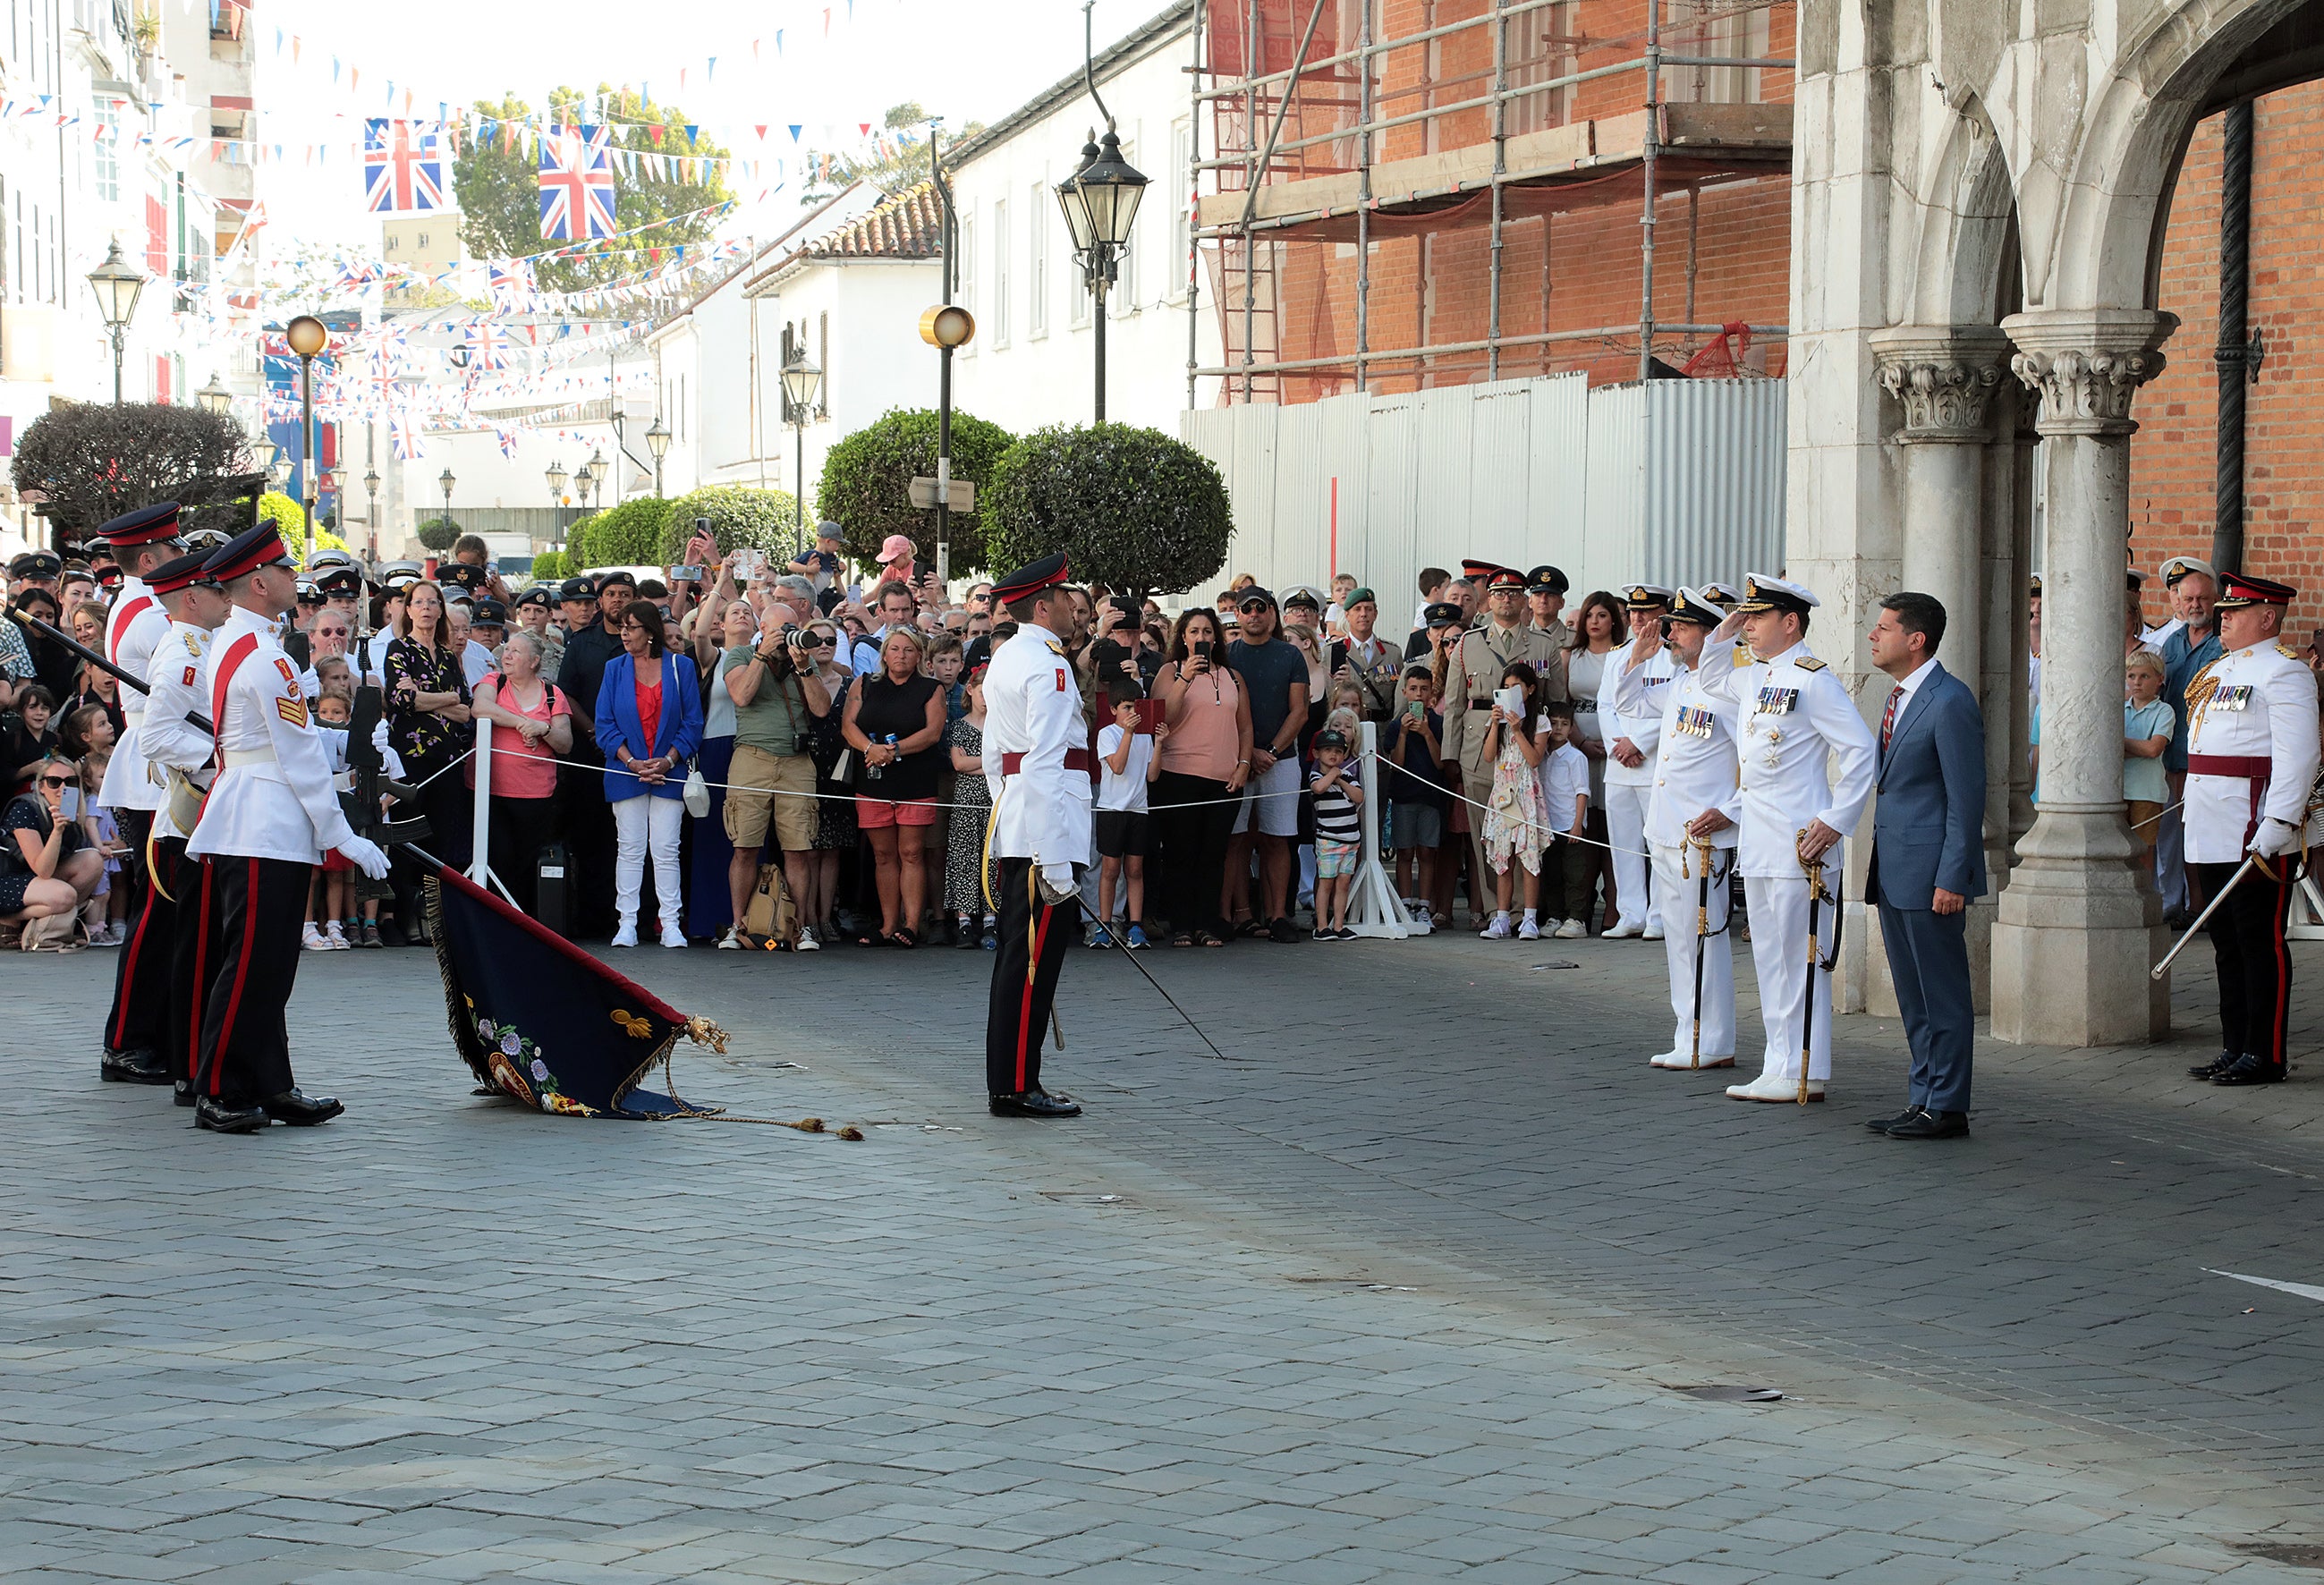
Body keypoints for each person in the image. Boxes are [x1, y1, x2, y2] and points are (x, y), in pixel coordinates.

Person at [183, 522, 392, 1133]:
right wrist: (341, 833)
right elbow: (300, 753)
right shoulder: (264, 657)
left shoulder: (245, 645)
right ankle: (219, 1086)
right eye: (283, 573)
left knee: (270, 964)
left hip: (260, 814)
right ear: (256, 582)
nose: (292, 583)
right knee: (250, 963)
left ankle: (269, 1081)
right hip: (262, 818)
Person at [1696, 575, 1878, 1104]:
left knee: (1803, 960)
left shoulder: (1812, 679)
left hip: (1804, 845)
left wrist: (1836, 819)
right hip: (1761, 842)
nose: (1748, 625)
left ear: (1790, 621)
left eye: (1758, 616)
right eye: (1745, 616)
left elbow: (1861, 750)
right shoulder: (1754, 676)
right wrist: (1724, 631)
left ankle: (1807, 1069)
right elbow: (1710, 679)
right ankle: (1778, 1062)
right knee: (1771, 960)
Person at [2182, 572, 2321, 1088]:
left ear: (2267, 618)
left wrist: (2279, 822)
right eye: (2223, 611)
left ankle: (2266, 1053)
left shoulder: (2284, 673)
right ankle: (2235, 1044)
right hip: (2210, 822)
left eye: (2235, 611)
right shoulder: (2219, 670)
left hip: (2252, 825)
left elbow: (2298, 755)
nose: (2224, 617)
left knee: (2258, 939)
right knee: (2225, 941)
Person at [1860, 593, 1988, 1140]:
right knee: (1913, 996)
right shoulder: (1901, 697)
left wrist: (1951, 877)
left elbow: (1966, 798)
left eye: (1884, 628)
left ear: (1916, 640)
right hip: (1895, 870)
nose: (1873, 636)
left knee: (1943, 995)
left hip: (1932, 874)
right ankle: (1923, 1096)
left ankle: (1949, 1105)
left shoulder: (1949, 700)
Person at [981, 555, 1091, 1118]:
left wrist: (1014, 812)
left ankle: (1012, 1081)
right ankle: (1017, 1087)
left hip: (1021, 823)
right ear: (1043, 606)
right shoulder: (1048, 665)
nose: (1076, 607)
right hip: (1046, 835)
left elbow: (995, 757)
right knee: (1030, 965)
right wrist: (1053, 858)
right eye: (1068, 598)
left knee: (1018, 960)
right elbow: (1047, 761)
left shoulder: (1006, 657)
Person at [1612, 589, 1742, 1061]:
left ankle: (1709, 1039)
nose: (1671, 634)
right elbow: (1629, 705)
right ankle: (1690, 1034)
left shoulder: (1727, 686)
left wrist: (1735, 809)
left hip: (1702, 832)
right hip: (1668, 827)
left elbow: (1755, 758)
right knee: (1680, 941)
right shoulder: (1681, 682)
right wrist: (1638, 659)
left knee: (1703, 936)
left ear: (1710, 635)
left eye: (1682, 627)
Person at [122, 549, 234, 1095]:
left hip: (205, 820)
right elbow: (158, 735)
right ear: (192, 597)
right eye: (219, 589)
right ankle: (191, 1065)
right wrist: (220, 760)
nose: (228, 597)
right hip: (188, 824)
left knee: (204, 949)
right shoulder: (184, 651)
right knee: (196, 955)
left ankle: (191, 1059)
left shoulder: (206, 645)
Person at [1438, 569, 1565, 928]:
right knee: (1490, 834)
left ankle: (1526, 911)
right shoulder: (1468, 643)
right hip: (1482, 747)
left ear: (1524, 600)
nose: (1506, 599)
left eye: (1513, 593)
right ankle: (1497, 910)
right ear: (1487, 600)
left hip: (1527, 750)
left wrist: (1551, 748)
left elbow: (1556, 700)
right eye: (1499, 593)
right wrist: (1451, 754)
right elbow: (1454, 702)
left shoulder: (1543, 645)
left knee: (1527, 832)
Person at [721, 605, 833, 950]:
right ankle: (737, 925)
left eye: (792, 629)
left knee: (799, 849)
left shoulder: (803, 663)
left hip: (797, 763)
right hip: (751, 758)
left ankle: (800, 928)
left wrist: (803, 668)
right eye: (780, 629)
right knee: (744, 847)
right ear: (762, 628)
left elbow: (822, 709)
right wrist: (761, 655)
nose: (787, 636)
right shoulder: (740, 654)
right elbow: (741, 695)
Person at [595, 599, 702, 948]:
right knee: (629, 848)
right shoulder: (614, 669)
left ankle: (670, 923)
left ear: (650, 631)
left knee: (666, 848)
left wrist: (668, 761)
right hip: (627, 771)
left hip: (668, 772)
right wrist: (631, 762)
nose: (624, 634)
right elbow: (604, 725)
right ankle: (626, 922)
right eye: (621, 627)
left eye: (631, 627)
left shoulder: (681, 666)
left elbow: (692, 723)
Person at [1151, 608, 1251, 948]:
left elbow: (1245, 726)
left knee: (1214, 855)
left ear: (1216, 637)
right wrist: (1186, 678)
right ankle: (1181, 924)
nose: (1201, 638)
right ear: (1183, 637)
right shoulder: (1171, 670)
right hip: (1179, 775)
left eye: (1207, 631)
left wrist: (1244, 764)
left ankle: (1208, 923)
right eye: (1194, 631)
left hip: (1224, 779)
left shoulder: (1234, 676)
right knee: (1181, 853)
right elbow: (1163, 715)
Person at [842, 626, 946, 946]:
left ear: (919, 656)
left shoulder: (931, 688)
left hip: (915, 780)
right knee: (884, 854)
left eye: (909, 650)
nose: (901, 656)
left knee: (912, 852)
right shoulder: (864, 684)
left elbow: (932, 733)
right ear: (884, 654)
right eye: (895, 649)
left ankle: (911, 925)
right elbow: (848, 725)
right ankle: (888, 925)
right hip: (872, 777)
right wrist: (870, 750)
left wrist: (894, 750)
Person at [1225, 588, 1309, 942]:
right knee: (1236, 840)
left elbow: (1300, 710)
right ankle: (1238, 915)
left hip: (1281, 760)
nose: (1254, 614)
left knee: (1278, 839)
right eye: (1247, 609)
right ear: (1238, 616)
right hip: (1236, 760)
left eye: (1261, 608)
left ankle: (1278, 916)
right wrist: (1248, 754)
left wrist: (1270, 750)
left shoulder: (1290, 654)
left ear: (1272, 614)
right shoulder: (1226, 655)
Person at [470, 631, 572, 919]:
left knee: (526, 863)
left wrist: (546, 730)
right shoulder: (495, 681)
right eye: (506, 650)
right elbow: (481, 708)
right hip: (490, 790)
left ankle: (525, 921)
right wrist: (524, 723)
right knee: (496, 858)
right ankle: (494, 919)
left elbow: (565, 743)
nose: (507, 656)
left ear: (534, 661)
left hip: (536, 794)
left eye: (516, 651)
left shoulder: (553, 694)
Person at [385, 580, 475, 884]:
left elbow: (465, 709)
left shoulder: (449, 657)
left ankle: (434, 912)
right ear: (408, 610)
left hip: (447, 759)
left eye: (432, 602)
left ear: (440, 610)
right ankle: (399, 914)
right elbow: (403, 700)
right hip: (411, 759)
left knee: (442, 837)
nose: (426, 608)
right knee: (407, 835)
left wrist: (428, 699)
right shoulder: (399, 650)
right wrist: (446, 698)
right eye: (419, 602)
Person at [557, 572, 631, 939]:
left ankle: (635, 917)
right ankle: (592, 919)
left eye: (626, 594)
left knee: (632, 840)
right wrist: (594, 732)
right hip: (591, 755)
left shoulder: (646, 642)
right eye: (612, 594)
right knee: (592, 837)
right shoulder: (581, 643)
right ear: (600, 602)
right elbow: (566, 694)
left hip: (637, 756)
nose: (618, 600)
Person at [1600, 586, 1675, 939]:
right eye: (1633, 612)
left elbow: (1674, 708)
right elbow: (1605, 705)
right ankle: (1630, 913)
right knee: (1623, 843)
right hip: (1620, 764)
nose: (1638, 619)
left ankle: (1659, 917)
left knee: (1658, 843)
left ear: (1664, 614)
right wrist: (1619, 745)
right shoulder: (1618, 655)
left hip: (1654, 760)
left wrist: (1639, 743)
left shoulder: (1673, 655)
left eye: (1647, 612)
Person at [2155, 555, 2221, 928]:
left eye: (2203, 599)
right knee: (2173, 834)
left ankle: (2205, 907)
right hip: (2171, 752)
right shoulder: (2172, 642)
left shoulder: (2224, 644)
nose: (2195, 606)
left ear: (2214, 600)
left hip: (2208, 754)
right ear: (2177, 601)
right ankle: (2182, 905)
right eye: (2188, 599)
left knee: (2201, 832)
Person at [1561, 589, 1624, 932]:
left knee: (1614, 832)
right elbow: (1561, 707)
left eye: (1602, 615)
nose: (1595, 621)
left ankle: (1616, 909)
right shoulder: (1571, 656)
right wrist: (1581, 741)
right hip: (1580, 749)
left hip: (1617, 751)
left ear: (1614, 619)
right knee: (1585, 831)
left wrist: (1612, 742)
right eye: (1590, 615)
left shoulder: (1626, 655)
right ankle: (1579, 911)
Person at [1477, 661, 1551, 940]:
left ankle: (1530, 918)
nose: (1510, 692)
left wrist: (1518, 730)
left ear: (1530, 690)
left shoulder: (1539, 721)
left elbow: (1534, 759)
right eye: (1506, 687)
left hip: (1526, 794)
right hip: (1503, 795)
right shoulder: (1497, 721)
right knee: (1502, 857)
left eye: (1516, 687)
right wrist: (1495, 724)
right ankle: (1502, 918)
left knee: (1529, 856)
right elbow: (1487, 756)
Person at [2, 751, 103, 948]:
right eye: (54, 782)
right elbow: (43, 870)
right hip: (8, 880)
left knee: (93, 859)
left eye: (70, 781)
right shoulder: (25, 809)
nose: (63, 788)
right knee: (64, 895)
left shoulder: (71, 812)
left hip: (36, 882)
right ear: (41, 787)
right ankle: (10, 919)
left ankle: (48, 927)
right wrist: (57, 832)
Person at [1093, 682, 1163, 948]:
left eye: (1136, 707)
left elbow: (1153, 776)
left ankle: (1135, 926)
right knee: (1110, 869)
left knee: (1135, 869)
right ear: (1113, 710)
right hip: (1112, 809)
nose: (1132, 712)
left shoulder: (1146, 737)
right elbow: (1118, 766)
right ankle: (1105, 925)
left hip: (1138, 809)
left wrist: (1160, 744)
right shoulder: (1108, 734)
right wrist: (1129, 734)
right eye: (1126, 708)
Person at [1384, 664, 1447, 931]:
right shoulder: (1397, 724)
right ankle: (1404, 904)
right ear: (1404, 692)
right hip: (1403, 797)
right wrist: (1402, 734)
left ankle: (1423, 906)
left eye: (1424, 689)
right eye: (1413, 689)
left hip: (1431, 798)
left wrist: (1427, 734)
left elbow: (1441, 763)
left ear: (1432, 693)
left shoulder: (1438, 723)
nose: (1418, 695)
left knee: (1427, 852)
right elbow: (1395, 763)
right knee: (1405, 852)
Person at [946, 661, 997, 951]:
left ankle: (991, 919)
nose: (986, 696)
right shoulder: (960, 725)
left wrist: (980, 765)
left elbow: (1003, 763)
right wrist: (988, 764)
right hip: (966, 801)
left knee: (992, 859)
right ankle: (964, 921)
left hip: (992, 798)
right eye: (982, 690)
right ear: (971, 690)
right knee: (965, 858)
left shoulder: (1001, 727)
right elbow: (958, 763)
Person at [1537, 701, 1592, 939]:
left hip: (1571, 825)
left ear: (1572, 728)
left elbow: (1582, 791)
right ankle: (1555, 916)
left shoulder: (1575, 757)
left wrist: (1578, 824)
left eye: (1564, 724)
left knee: (1575, 875)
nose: (1558, 728)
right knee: (1553, 874)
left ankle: (1576, 918)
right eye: (1554, 723)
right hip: (1549, 825)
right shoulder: (1542, 756)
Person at [1307, 725, 1362, 939]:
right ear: (1317, 753)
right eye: (1328, 750)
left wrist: (1339, 778)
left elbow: (1359, 797)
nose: (1333, 754)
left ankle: (1339, 925)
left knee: (1343, 883)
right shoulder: (1315, 775)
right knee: (1326, 882)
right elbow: (1318, 788)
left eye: (1338, 751)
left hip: (1350, 840)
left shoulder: (1346, 775)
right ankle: (1322, 926)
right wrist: (1332, 775)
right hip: (1328, 840)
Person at [2124, 650, 2174, 871]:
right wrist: (2138, 747)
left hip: (2147, 791)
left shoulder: (2164, 711)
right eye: (2132, 676)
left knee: (2143, 851)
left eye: (2144, 676)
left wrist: (2120, 742)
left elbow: (2154, 748)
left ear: (2159, 680)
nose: (2137, 682)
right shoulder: (2119, 709)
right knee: (2119, 851)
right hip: (2119, 789)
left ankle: (2144, 900)